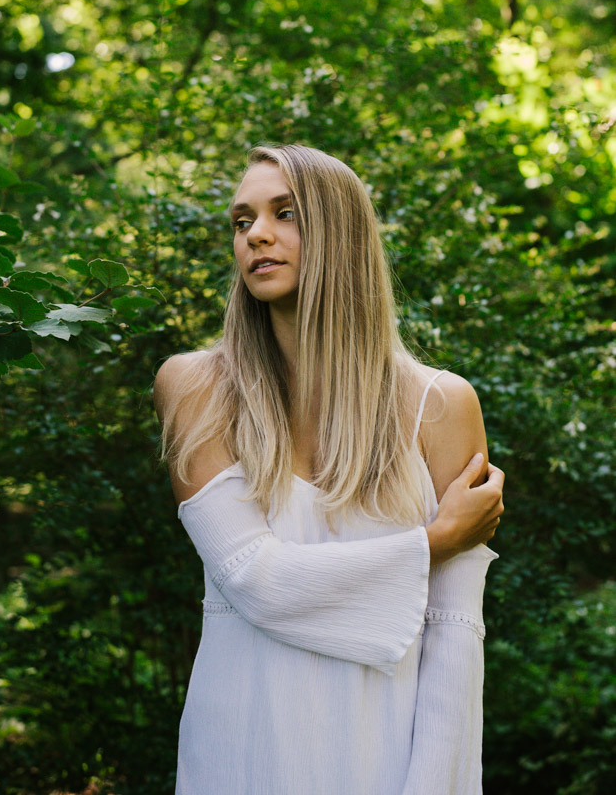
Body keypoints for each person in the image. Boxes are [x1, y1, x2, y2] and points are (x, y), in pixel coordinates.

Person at [154, 143, 505, 795]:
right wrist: (436, 541)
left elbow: (454, 639)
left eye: (285, 213)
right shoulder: (195, 388)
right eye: (242, 221)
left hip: (385, 760)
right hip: (238, 754)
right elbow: (253, 579)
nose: (256, 234)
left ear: (341, 232)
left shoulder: (440, 404)